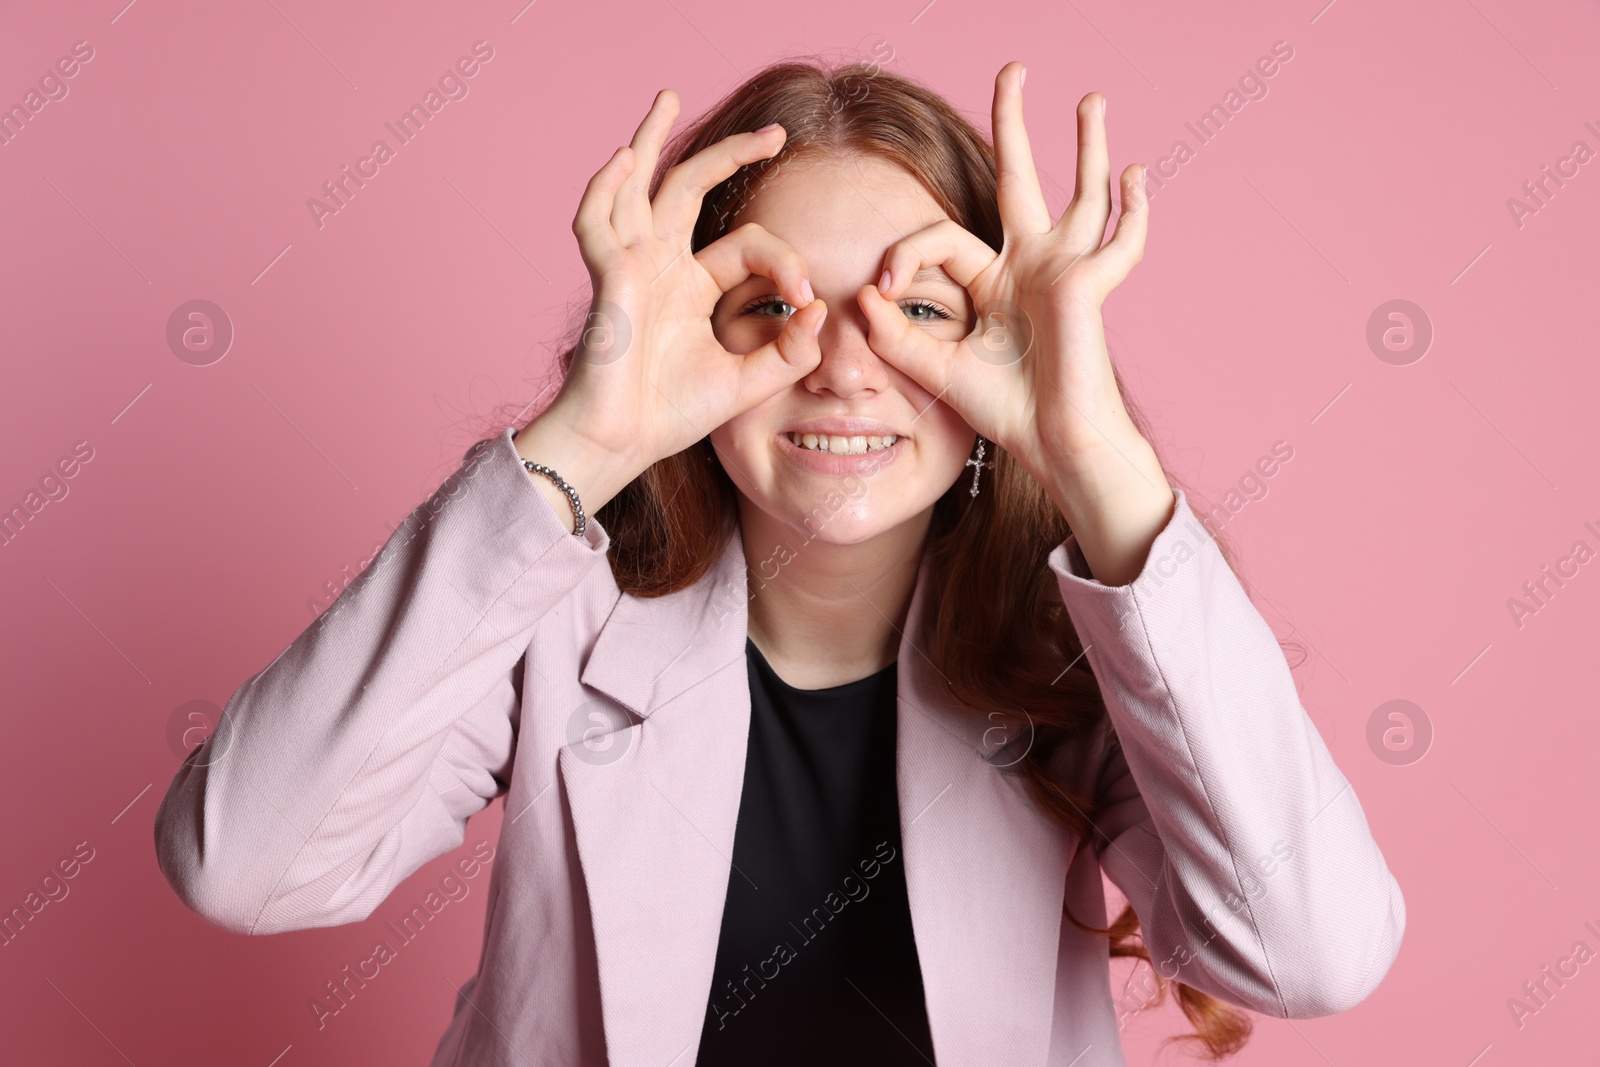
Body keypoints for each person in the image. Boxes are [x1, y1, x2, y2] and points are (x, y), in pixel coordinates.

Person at [154, 57, 1405, 1066]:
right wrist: (588, 434)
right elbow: (246, 863)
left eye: (920, 309)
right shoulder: (557, 616)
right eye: (777, 305)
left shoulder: (1072, 654)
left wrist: (1094, 451)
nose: (847, 366)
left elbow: (1311, 952)